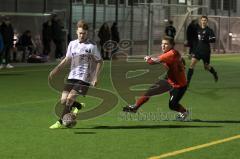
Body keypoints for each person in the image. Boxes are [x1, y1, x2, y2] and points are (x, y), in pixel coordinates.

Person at [49, 20, 103, 129]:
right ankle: (77, 105)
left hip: (84, 78)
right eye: (80, 33)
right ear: (76, 32)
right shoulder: (72, 44)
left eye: (84, 33)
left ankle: (60, 121)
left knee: (69, 99)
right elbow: (67, 58)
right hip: (72, 76)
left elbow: (100, 61)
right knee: (63, 100)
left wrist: (95, 77)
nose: (82, 35)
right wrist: (56, 69)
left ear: (87, 33)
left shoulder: (91, 46)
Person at [123, 36, 189, 121]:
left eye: (166, 44)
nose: (163, 46)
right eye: (162, 43)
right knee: (151, 91)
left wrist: (148, 58)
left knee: (172, 105)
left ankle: (184, 112)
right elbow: (177, 60)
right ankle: (135, 107)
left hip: (179, 85)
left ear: (171, 45)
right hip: (169, 80)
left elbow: (152, 62)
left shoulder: (170, 54)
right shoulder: (173, 53)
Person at [187, 16, 218, 86]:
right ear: (200, 21)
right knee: (191, 65)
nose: (203, 21)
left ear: (207, 22)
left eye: (205, 20)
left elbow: (213, 39)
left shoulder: (209, 30)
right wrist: (190, 52)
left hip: (205, 51)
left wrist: (206, 40)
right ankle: (187, 82)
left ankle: (214, 73)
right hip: (197, 51)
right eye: (202, 20)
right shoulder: (197, 29)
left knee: (206, 67)